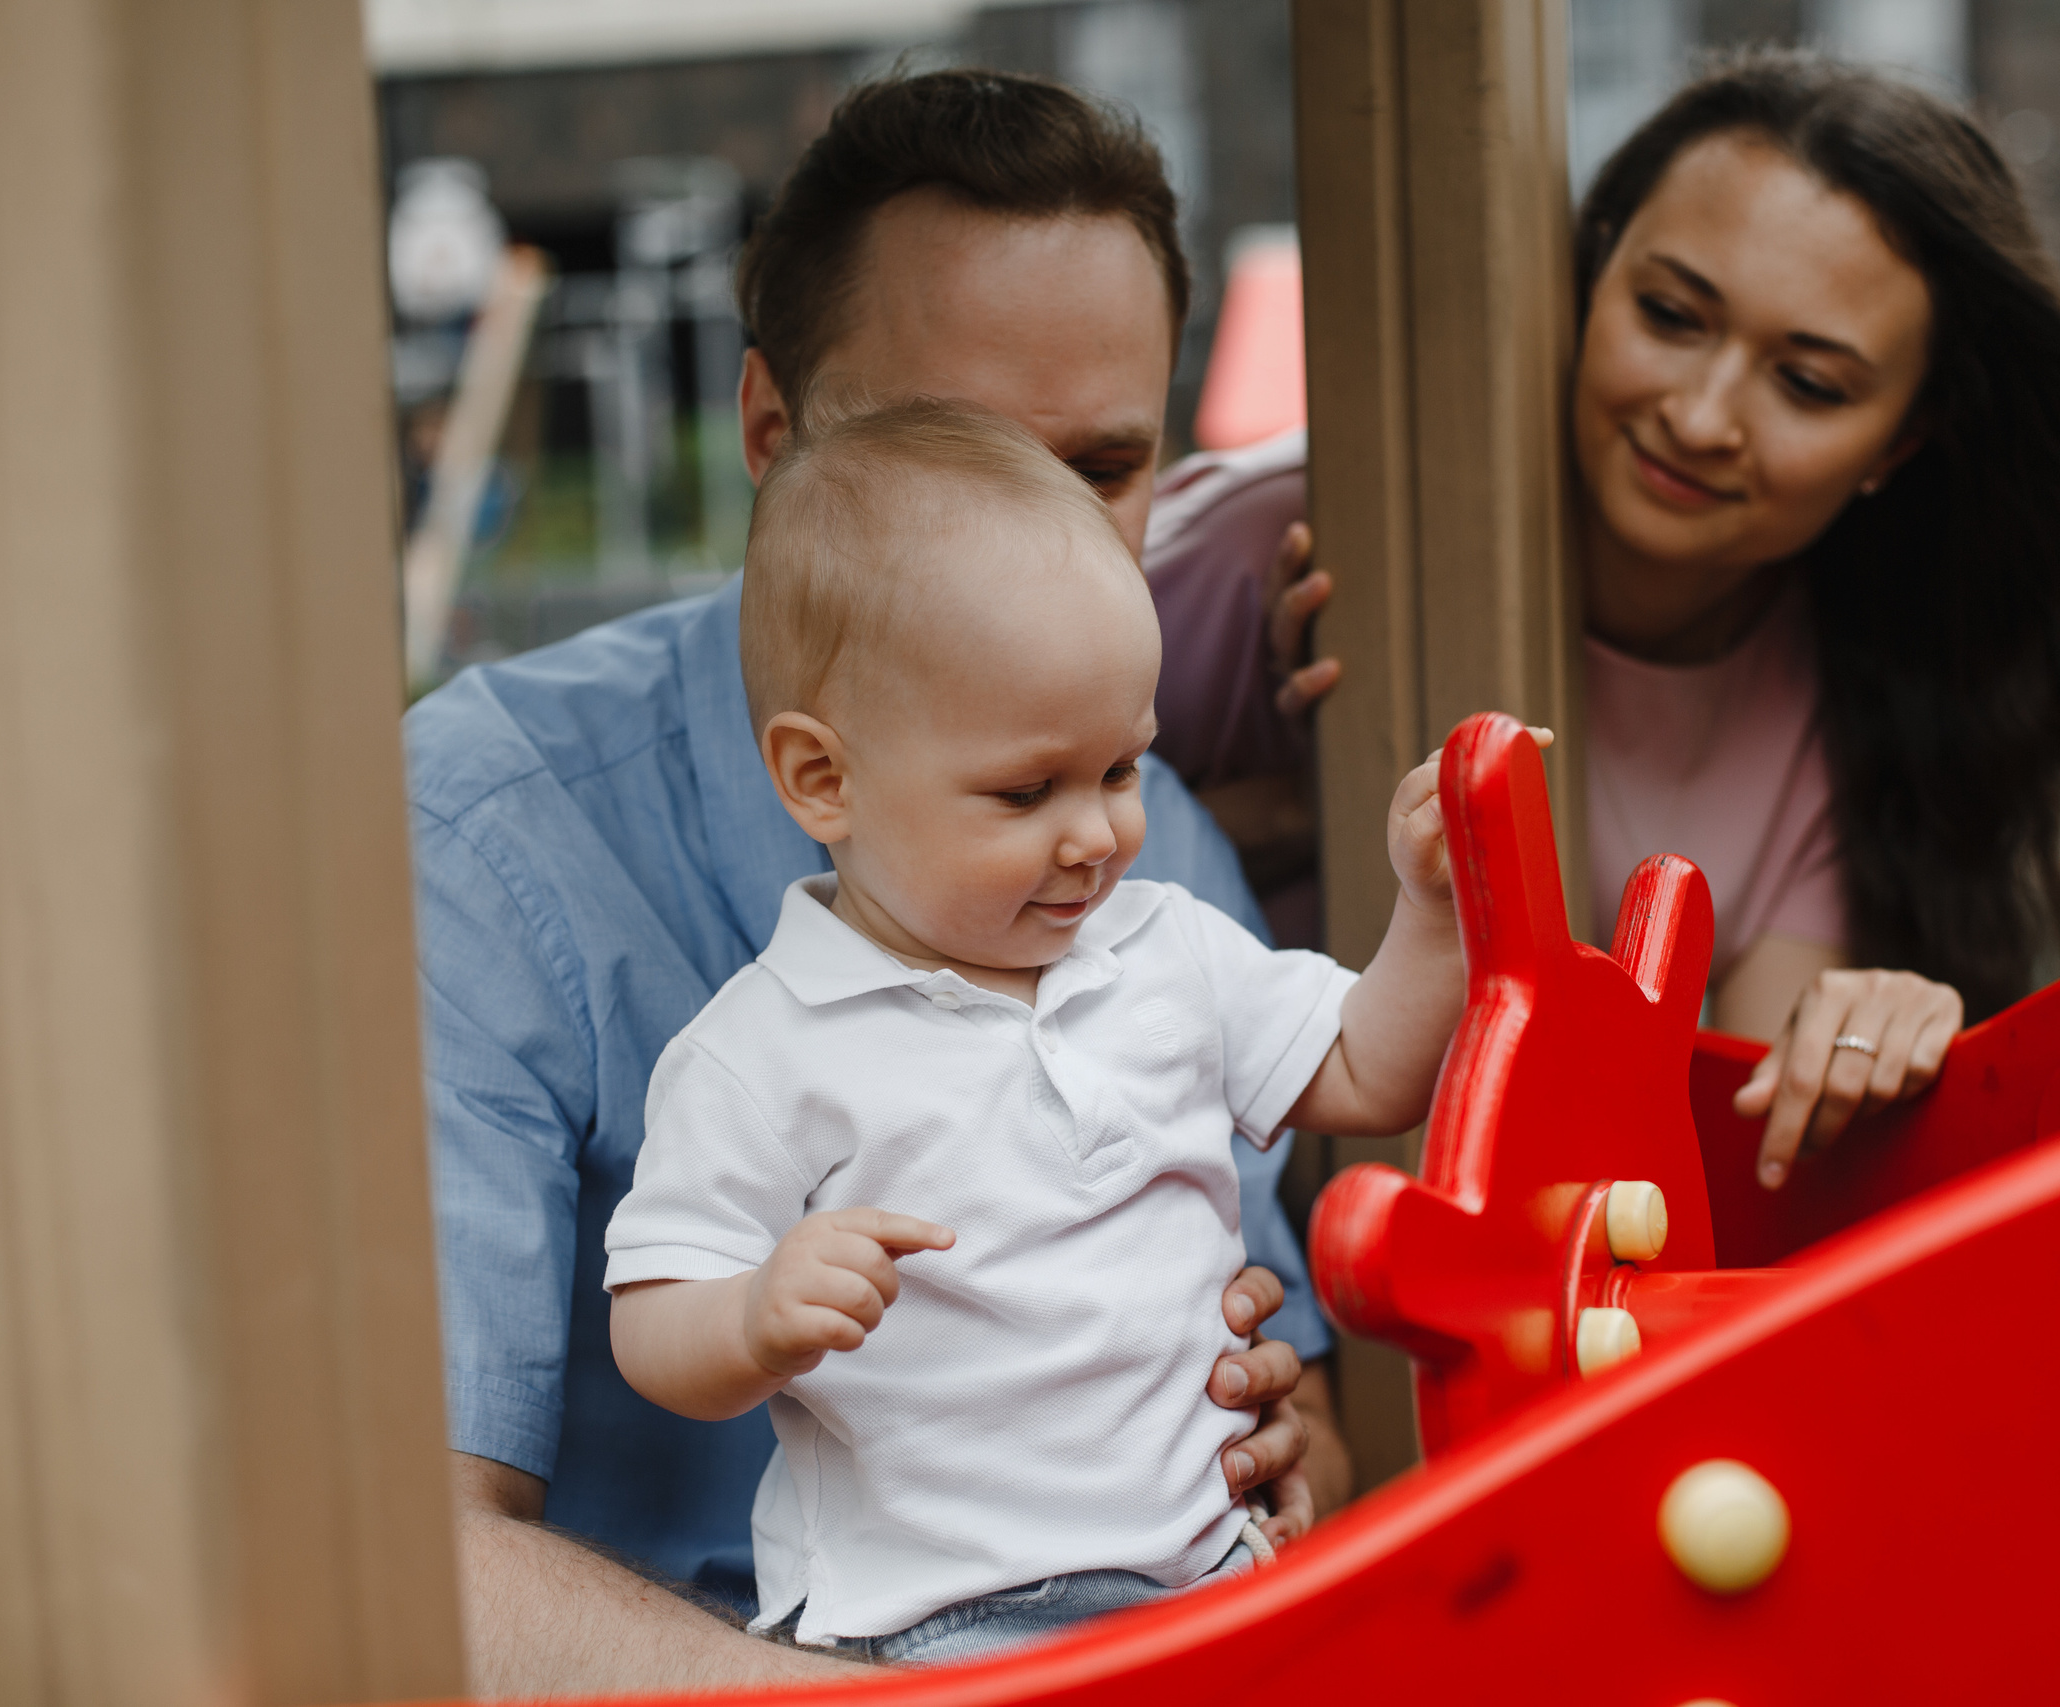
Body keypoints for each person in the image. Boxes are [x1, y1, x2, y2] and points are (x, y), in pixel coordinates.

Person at [408, 71, 1341, 1698]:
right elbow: (412, 1548)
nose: (1041, 526)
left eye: (1106, 466)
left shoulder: (1157, 834)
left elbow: (1290, 1402)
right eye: (962, 452)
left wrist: (1279, 1433)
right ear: (773, 435)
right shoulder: (482, 833)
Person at [1156, 52, 2060, 1196]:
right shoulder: (1281, 550)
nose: (1704, 416)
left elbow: (1713, 1162)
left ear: (1900, 443)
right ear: (1588, 276)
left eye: (1807, 383)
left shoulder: (1857, 697)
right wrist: (1226, 810)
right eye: (1669, 315)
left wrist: (1867, 1040)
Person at [603, 398, 1467, 1664]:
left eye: (1121, 769)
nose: (1097, 833)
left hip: (1203, 1570)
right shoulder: (765, 1049)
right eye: (1025, 791)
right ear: (822, 780)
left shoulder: (1161, 946)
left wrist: (1431, 912)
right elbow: (651, 1315)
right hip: (938, 1622)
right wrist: (749, 1320)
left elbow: (1364, 1066)